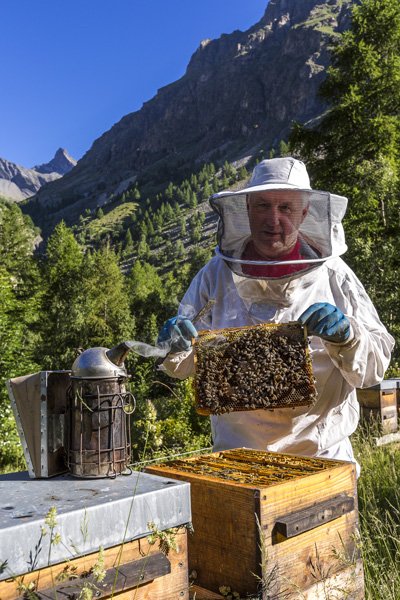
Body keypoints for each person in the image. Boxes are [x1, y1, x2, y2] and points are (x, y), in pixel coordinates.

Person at [157, 157, 394, 473]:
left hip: (322, 456)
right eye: (263, 206)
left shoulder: (335, 275)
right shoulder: (214, 276)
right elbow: (182, 367)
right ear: (247, 209)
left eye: (286, 208)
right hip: (238, 459)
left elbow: (373, 369)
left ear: (304, 213)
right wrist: (176, 344)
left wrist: (349, 337)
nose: (273, 219)